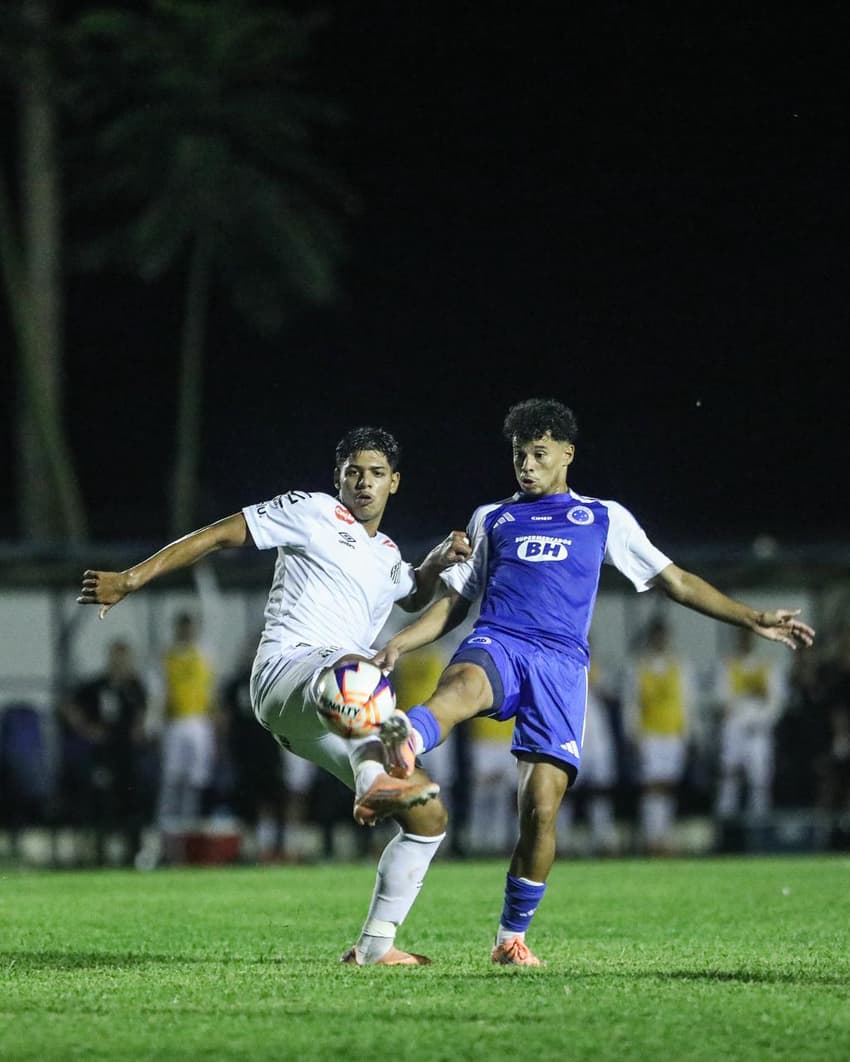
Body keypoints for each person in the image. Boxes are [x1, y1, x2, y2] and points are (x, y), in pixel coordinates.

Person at [374, 397, 816, 966]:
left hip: (561, 666)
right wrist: (402, 641)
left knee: (539, 809)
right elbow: (452, 604)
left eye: (538, 454)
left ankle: (511, 938)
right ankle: (393, 751)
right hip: (501, 640)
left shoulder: (603, 517)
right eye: (518, 456)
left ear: (566, 454)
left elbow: (675, 580)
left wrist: (751, 616)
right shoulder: (492, 519)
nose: (526, 466)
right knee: (458, 686)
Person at [78, 426, 470, 965]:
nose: (363, 482)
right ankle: (373, 776)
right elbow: (217, 534)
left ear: (394, 483)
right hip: (287, 673)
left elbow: (409, 593)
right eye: (353, 471)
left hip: (330, 709)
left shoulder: (386, 555)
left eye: (376, 474)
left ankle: (376, 946)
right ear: (337, 477)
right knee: (360, 668)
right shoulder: (310, 510)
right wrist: (131, 578)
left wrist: (435, 564)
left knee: (429, 814)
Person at [58, 639, 148, 865]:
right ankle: (100, 853)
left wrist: (140, 728)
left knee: (133, 800)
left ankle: (133, 853)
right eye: (116, 658)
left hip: (127, 755)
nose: (120, 664)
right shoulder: (95, 686)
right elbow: (67, 707)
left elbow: (144, 712)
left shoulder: (134, 687)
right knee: (101, 800)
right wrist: (87, 729)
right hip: (102, 754)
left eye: (124, 659)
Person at [140, 611, 219, 867]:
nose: (187, 634)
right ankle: (165, 844)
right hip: (175, 724)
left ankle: (187, 844)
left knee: (194, 784)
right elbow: (157, 694)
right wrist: (153, 727)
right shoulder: (166, 657)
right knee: (172, 783)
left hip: (199, 723)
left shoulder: (205, 655)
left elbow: (211, 690)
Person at [624, 616, 696, 855]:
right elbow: (631, 703)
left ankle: (665, 836)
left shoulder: (680, 666)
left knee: (668, 787)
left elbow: (687, 702)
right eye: (656, 635)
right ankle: (651, 837)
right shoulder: (639, 666)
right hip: (649, 734)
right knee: (651, 787)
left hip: (673, 733)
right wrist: (632, 733)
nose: (660, 640)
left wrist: (688, 734)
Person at [714, 625, 788, 824]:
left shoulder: (767, 665)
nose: (745, 640)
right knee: (729, 777)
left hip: (759, 731)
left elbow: (777, 702)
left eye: (748, 636)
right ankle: (726, 824)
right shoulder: (728, 664)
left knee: (760, 780)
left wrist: (761, 720)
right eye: (741, 636)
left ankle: (759, 824)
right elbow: (722, 700)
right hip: (734, 730)